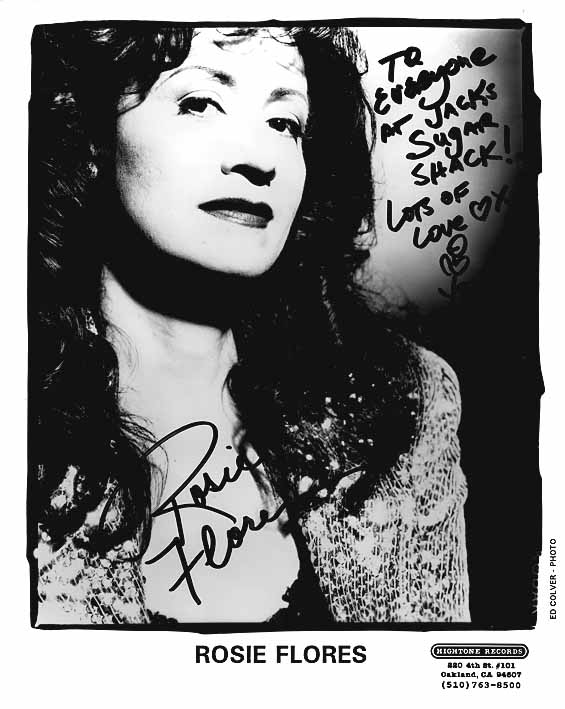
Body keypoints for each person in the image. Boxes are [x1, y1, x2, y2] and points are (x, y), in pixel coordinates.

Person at [30, 24, 469, 625]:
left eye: (284, 123)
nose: (259, 159)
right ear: (89, 134)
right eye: (199, 103)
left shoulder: (404, 403)